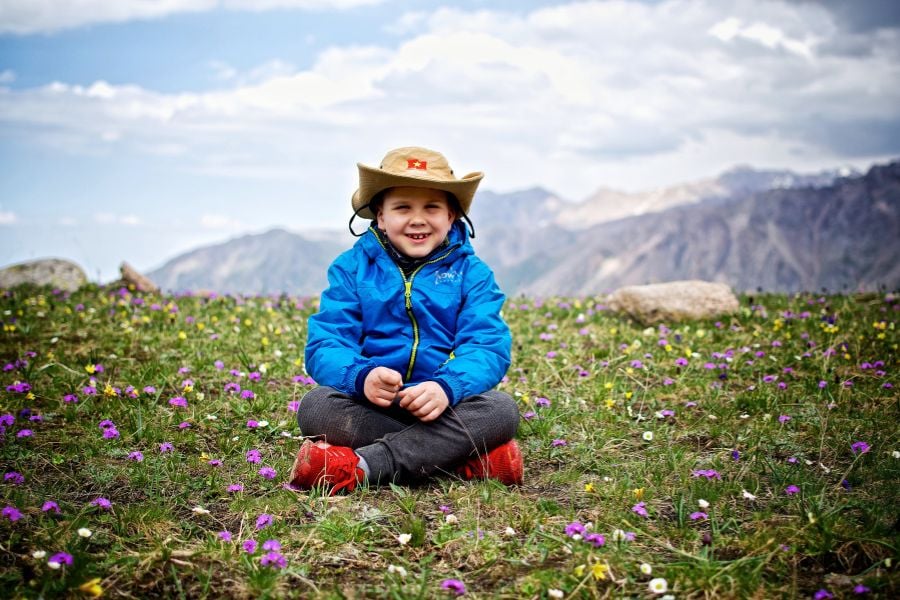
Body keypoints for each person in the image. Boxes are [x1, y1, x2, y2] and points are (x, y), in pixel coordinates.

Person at [289, 146, 522, 494]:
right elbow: (327, 343)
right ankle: (465, 460)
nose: (417, 219)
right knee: (316, 407)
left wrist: (447, 387)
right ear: (380, 216)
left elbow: (487, 346)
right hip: (374, 404)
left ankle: (364, 466)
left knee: (501, 410)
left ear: (452, 216)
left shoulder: (473, 274)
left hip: (443, 405)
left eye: (432, 207)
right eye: (402, 207)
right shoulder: (351, 268)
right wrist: (362, 376)